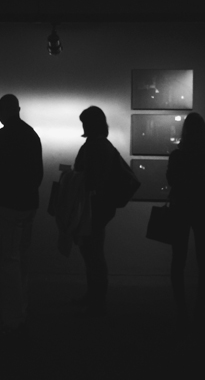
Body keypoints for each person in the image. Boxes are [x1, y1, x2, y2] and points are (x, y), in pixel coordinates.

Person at [0, 94, 43, 337]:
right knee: (21, 258)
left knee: (8, 261)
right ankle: (21, 310)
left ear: (2, 110)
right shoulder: (31, 134)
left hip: (8, 206)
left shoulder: (4, 134)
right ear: (18, 109)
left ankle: (12, 318)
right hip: (28, 204)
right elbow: (38, 173)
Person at [166, 112, 205, 333]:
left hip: (181, 208)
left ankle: (182, 311)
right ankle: (199, 311)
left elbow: (171, 180)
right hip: (203, 208)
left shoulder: (178, 155)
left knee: (178, 261)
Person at [73, 106, 118, 317]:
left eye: (85, 123)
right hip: (99, 207)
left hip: (92, 207)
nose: (83, 126)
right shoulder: (104, 145)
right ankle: (95, 297)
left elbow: (90, 176)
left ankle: (97, 299)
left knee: (93, 254)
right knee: (94, 252)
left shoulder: (94, 146)